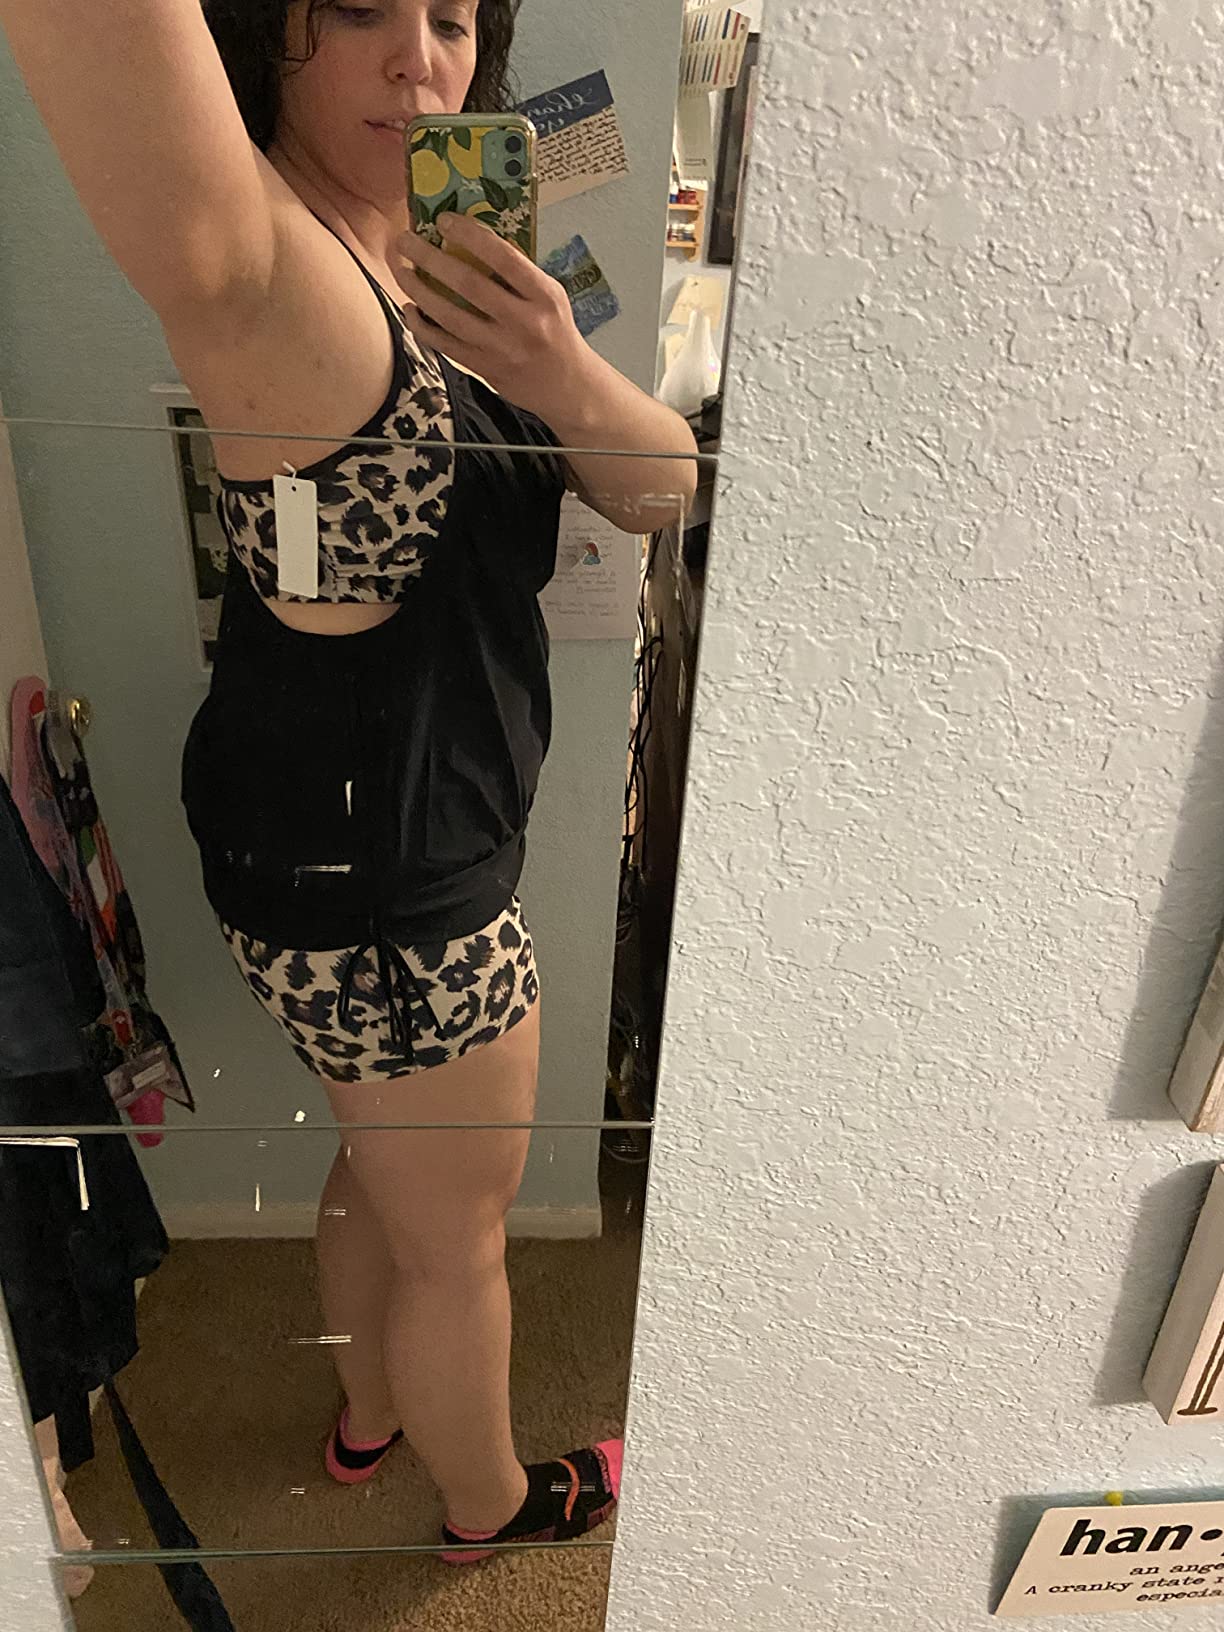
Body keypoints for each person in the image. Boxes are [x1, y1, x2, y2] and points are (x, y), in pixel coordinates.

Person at [1, 0, 699, 1564]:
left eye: (450, 17)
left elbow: (660, 487)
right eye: (361, 11)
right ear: (269, 34)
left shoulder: (454, 253)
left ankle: (370, 1413)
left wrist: (560, 368)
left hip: (336, 859)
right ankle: (489, 1503)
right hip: (402, 894)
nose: (419, 59)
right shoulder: (280, 276)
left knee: (387, 1165)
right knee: (460, 1243)